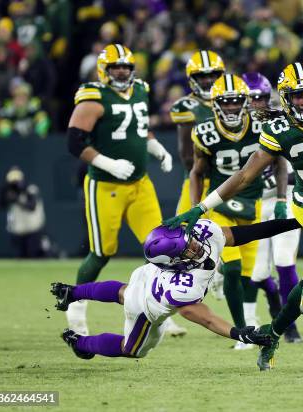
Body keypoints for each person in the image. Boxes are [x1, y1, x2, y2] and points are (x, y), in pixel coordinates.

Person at [165, 62, 303, 370]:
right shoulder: (277, 128)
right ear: (285, 97)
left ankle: (272, 334)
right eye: (298, 95)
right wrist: (201, 207)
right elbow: (244, 176)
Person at [50, 218, 303, 360]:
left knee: (124, 291)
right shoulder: (183, 286)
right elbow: (205, 318)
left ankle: (72, 292)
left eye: (190, 240)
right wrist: (239, 334)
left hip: (147, 277)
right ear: (174, 262)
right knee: (132, 349)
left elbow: (244, 233)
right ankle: (80, 342)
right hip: (145, 305)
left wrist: (292, 223)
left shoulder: (201, 233)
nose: (195, 245)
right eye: (188, 249)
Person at [65, 44, 185, 337]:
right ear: (103, 70)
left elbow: (140, 128)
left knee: (161, 248)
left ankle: (161, 310)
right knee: (102, 253)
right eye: (115, 67)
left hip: (140, 183)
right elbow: (74, 142)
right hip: (106, 186)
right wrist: (107, 163)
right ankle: (75, 304)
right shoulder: (93, 97)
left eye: (126, 67)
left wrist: (157, 149)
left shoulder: (141, 90)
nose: (121, 71)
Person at [189, 74, 266, 350]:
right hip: (219, 205)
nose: (232, 107)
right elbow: (197, 172)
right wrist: (196, 209)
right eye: (226, 102)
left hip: (251, 204)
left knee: (246, 275)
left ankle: (244, 324)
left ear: (246, 101)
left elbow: (279, 162)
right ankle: (242, 333)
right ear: (215, 104)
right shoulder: (205, 132)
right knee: (233, 270)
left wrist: (281, 196)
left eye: (236, 101)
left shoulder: (261, 124)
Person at [242, 72, 302, 343]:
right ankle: (276, 307)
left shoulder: (281, 119)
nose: (257, 104)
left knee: (284, 259)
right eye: (252, 98)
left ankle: (289, 324)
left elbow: (289, 165)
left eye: (262, 98)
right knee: (256, 272)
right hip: (253, 202)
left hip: (284, 195)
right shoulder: (232, 126)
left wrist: (281, 196)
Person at [170, 50, 225, 215]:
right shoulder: (187, 106)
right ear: (192, 79)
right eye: (202, 76)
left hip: (231, 180)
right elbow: (187, 156)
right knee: (181, 234)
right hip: (201, 179)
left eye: (212, 75)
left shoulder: (234, 102)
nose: (208, 80)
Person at [0, 166, 46, 257]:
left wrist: (17, 199)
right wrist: (5, 194)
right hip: (17, 229)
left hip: (33, 228)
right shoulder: (8, 191)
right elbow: (1, 205)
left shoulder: (30, 189)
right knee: (20, 256)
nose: (15, 184)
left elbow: (32, 206)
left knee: (33, 254)